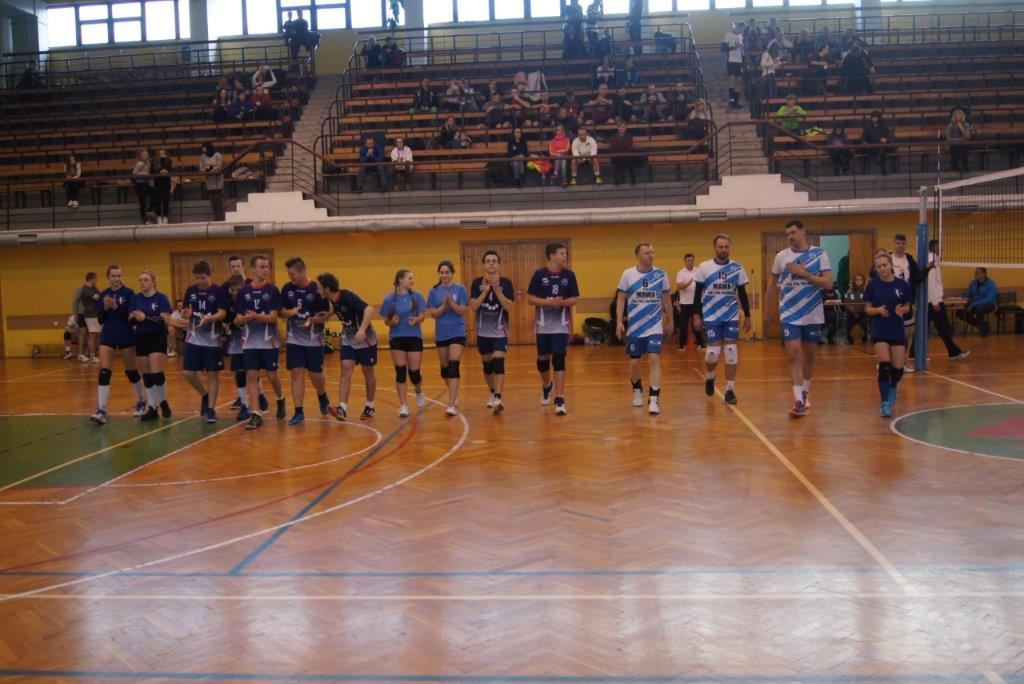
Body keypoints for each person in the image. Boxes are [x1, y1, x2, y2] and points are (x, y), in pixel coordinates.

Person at [766, 219, 833, 418]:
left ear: (803, 231)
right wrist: (768, 310)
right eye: (788, 234)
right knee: (794, 355)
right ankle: (797, 402)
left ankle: (804, 393)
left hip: (812, 313)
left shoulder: (819, 254)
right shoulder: (781, 257)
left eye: (794, 232)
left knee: (810, 357)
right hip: (790, 313)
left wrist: (804, 274)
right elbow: (772, 284)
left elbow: (828, 283)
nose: (790, 237)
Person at [692, 235, 751, 404]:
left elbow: (742, 294)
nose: (723, 250)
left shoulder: (737, 267)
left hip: (731, 316)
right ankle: (710, 376)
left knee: (731, 351)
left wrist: (747, 316)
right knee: (712, 353)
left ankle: (730, 390)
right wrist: (696, 316)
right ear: (715, 248)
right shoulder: (705, 267)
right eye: (720, 247)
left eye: (726, 247)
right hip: (711, 316)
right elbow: (697, 294)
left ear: (729, 247)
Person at [615, 243, 672, 414]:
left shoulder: (661, 274)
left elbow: (667, 299)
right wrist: (619, 321)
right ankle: (637, 389)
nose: (651, 255)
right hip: (635, 328)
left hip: (654, 326)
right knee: (634, 363)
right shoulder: (628, 274)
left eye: (652, 252)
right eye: (647, 253)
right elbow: (620, 299)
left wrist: (671, 321)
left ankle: (654, 398)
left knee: (654, 358)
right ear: (638, 256)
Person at [234, 255, 287, 429]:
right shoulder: (243, 292)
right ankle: (256, 413)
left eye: (267, 267)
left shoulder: (272, 290)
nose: (265, 270)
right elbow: (237, 319)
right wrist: (245, 318)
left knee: (272, 375)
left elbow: (272, 318)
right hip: (249, 341)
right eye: (262, 267)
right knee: (251, 375)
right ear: (253, 270)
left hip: (268, 341)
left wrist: (255, 316)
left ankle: (280, 398)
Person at [527, 243, 580, 415]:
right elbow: (530, 299)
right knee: (543, 360)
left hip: (561, 326)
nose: (565, 256)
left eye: (566, 253)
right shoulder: (539, 275)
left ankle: (559, 398)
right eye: (562, 253)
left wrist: (562, 302)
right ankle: (546, 385)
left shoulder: (569, 275)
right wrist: (549, 302)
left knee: (559, 359)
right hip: (543, 325)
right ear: (551, 256)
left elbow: (574, 299)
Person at [90, 265, 147, 424]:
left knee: (131, 372)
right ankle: (101, 410)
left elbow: (130, 316)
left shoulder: (129, 293)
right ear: (108, 277)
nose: (116, 279)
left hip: (125, 334)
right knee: (104, 371)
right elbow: (100, 319)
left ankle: (141, 401)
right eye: (113, 276)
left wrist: (116, 307)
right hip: (108, 335)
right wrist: (106, 308)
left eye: (119, 276)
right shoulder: (103, 294)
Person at [277, 258, 331, 425]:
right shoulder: (287, 288)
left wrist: (311, 320)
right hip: (294, 339)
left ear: (302, 271)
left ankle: (322, 394)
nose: (290, 276)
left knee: (315, 374)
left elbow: (325, 315)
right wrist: (289, 313)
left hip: (314, 339)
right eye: (288, 274)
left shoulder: (316, 288)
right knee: (296, 373)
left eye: (292, 274)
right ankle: (298, 411)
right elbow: (280, 312)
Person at [319, 273, 377, 421]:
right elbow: (338, 307)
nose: (317, 290)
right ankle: (342, 408)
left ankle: (370, 406)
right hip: (348, 339)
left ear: (327, 289)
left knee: (368, 372)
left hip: (365, 339)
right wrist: (328, 314)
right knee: (345, 368)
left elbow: (369, 309)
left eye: (319, 287)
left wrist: (362, 329)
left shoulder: (348, 297)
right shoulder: (333, 299)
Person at [174, 261, 227, 423]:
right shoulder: (191, 290)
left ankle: (211, 409)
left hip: (212, 340)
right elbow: (185, 313)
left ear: (209, 276)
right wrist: (186, 314)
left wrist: (208, 318)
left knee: (212, 374)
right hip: (194, 339)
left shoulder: (217, 291)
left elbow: (222, 313)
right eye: (197, 278)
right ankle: (205, 395)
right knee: (188, 373)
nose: (199, 281)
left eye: (202, 278)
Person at [864, 252, 913, 417]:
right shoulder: (872, 285)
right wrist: (877, 310)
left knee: (897, 370)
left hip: (897, 329)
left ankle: (893, 388)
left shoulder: (902, 285)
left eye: (884, 265)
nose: (882, 269)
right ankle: (884, 403)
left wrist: (902, 310)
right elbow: (867, 309)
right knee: (884, 366)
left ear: (891, 265)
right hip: (880, 329)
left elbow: (908, 306)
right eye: (878, 267)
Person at [470, 251, 516, 415]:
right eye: (488, 261)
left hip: (500, 332)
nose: (491, 263)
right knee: (487, 365)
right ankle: (492, 391)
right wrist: (485, 291)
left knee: (498, 361)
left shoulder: (506, 282)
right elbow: (473, 306)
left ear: (498, 264)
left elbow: (509, 306)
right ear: (484, 264)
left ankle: (498, 397)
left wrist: (496, 290)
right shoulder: (476, 283)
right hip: (483, 332)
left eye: (494, 261)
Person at [911, 240, 969, 360]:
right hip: (933, 302)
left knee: (935, 327)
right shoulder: (932, 259)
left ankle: (914, 353)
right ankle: (953, 352)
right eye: (940, 246)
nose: (942, 249)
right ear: (935, 247)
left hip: (931, 301)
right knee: (941, 327)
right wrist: (935, 301)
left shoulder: (931, 258)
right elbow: (930, 281)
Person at [128, 270, 173, 421]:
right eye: (140, 280)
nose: (142, 282)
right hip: (141, 336)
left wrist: (145, 317)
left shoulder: (161, 298)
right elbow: (131, 319)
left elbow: (165, 318)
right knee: (146, 375)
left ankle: (164, 402)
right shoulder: (135, 299)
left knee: (157, 373)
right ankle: (152, 407)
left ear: (153, 282)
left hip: (157, 336)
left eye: (146, 279)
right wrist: (135, 318)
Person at [382, 270, 428, 418]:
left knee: (414, 374)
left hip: (414, 337)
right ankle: (403, 405)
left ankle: (418, 391)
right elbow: (386, 320)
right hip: (397, 338)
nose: (412, 280)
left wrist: (417, 320)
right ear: (401, 280)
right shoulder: (390, 299)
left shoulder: (417, 296)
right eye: (410, 278)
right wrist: (392, 322)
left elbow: (422, 316)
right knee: (400, 372)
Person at [427, 261, 469, 417]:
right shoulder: (434, 291)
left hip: (457, 331)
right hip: (441, 333)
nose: (444, 275)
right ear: (439, 274)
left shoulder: (460, 289)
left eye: (447, 272)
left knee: (453, 365)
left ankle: (451, 403)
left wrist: (451, 302)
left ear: (452, 273)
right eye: (442, 272)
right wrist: (445, 305)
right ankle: (453, 393)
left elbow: (462, 311)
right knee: (444, 370)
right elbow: (433, 314)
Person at [884, 234, 921, 370]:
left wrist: (928, 269)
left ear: (906, 245)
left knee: (909, 332)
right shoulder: (887, 259)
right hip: (890, 301)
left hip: (906, 301)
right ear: (893, 244)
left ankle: (904, 360)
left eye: (903, 243)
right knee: (889, 332)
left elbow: (918, 278)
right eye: (898, 243)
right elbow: (877, 276)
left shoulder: (909, 259)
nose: (900, 246)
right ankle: (886, 361)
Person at [675, 253, 704, 351]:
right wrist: (688, 283)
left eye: (692, 260)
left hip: (697, 302)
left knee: (698, 323)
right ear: (685, 261)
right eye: (688, 260)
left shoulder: (699, 271)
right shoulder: (681, 273)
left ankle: (701, 343)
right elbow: (679, 287)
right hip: (685, 303)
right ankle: (682, 345)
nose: (690, 262)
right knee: (683, 324)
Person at [957, 267, 998, 337]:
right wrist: (960, 297)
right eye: (976, 273)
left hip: (989, 305)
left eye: (978, 273)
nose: (976, 275)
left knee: (979, 309)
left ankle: (984, 332)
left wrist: (973, 304)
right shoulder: (973, 283)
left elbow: (989, 299)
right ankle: (980, 325)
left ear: (984, 274)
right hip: (975, 305)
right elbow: (968, 295)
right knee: (959, 312)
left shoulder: (991, 284)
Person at [198, 142, 225, 221]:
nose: (203, 149)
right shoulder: (202, 156)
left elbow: (219, 166)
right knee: (212, 200)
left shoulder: (217, 155)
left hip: (217, 180)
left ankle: (221, 217)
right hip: (209, 180)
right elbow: (201, 168)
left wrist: (208, 168)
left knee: (218, 199)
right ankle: (216, 217)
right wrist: (210, 168)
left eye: (204, 147)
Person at [861, 110, 893, 175]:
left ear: (879, 117)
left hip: (882, 146)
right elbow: (863, 137)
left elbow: (888, 137)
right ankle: (883, 168)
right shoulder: (868, 127)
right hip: (872, 147)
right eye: (872, 117)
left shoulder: (884, 126)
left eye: (875, 117)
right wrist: (864, 141)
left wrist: (886, 139)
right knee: (881, 151)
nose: (874, 119)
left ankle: (878, 161)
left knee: (883, 150)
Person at [79, 272, 101, 362]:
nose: (97, 280)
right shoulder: (86, 289)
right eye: (96, 278)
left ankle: (96, 354)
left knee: (96, 335)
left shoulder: (94, 288)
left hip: (96, 314)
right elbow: (97, 297)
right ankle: (92, 355)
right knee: (92, 335)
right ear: (92, 279)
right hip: (91, 314)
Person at [724, 22, 745, 109]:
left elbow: (740, 49)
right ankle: (732, 101)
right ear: (737, 27)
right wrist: (734, 47)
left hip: (739, 61)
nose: (741, 31)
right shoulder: (728, 35)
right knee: (732, 80)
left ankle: (735, 102)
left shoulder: (740, 36)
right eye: (741, 29)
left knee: (739, 81)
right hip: (731, 60)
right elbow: (723, 48)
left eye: (742, 29)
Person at [844, 274, 870, 344]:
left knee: (865, 326)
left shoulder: (866, 290)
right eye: (856, 280)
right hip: (852, 312)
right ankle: (849, 338)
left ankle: (866, 337)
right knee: (849, 326)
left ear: (863, 281)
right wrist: (854, 312)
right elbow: (848, 303)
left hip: (863, 312)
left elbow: (868, 302)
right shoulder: (850, 290)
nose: (858, 281)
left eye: (860, 280)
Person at [947, 109, 973, 174]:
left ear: (962, 116)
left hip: (964, 145)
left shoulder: (966, 124)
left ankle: (965, 166)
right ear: (953, 116)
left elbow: (967, 137)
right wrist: (959, 139)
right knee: (957, 147)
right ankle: (956, 166)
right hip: (954, 145)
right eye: (955, 115)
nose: (957, 116)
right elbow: (948, 139)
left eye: (959, 114)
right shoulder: (950, 126)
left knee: (964, 147)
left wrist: (961, 128)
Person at [150, 149, 172, 225]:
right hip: (157, 183)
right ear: (157, 154)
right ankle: (158, 216)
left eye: (163, 153)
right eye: (160, 153)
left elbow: (168, 170)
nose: (162, 155)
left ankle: (165, 216)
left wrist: (163, 162)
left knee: (166, 200)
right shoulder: (154, 161)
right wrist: (160, 171)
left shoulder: (168, 160)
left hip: (166, 183)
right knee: (158, 200)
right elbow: (153, 171)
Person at [131, 149, 152, 224]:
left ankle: (150, 210)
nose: (146, 156)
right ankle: (145, 220)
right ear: (140, 156)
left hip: (146, 183)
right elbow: (134, 174)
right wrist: (142, 174)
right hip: (139, 184)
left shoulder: (148, 162)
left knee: (155, 193)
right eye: (143, 155)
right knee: (143, 202)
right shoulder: (139, 164)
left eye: (146, 154)